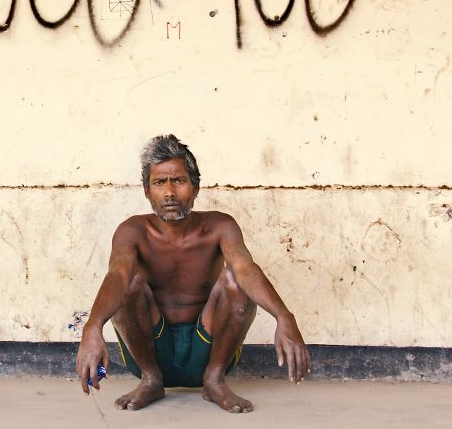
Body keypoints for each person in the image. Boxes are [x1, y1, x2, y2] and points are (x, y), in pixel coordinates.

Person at [75, 134, 309, 413]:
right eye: (160, 182)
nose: (170, 192)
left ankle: (214, 380)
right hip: (151, 351)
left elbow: (246, 269)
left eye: (179, 181)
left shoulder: (220, 226)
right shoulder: (133, 231)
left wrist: (284, 316)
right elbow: (118, 274)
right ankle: (151, 380)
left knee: (236, 279)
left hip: (208, 351)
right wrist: (92, 326)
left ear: (196, 187)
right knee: (128, 284)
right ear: (147, 191)